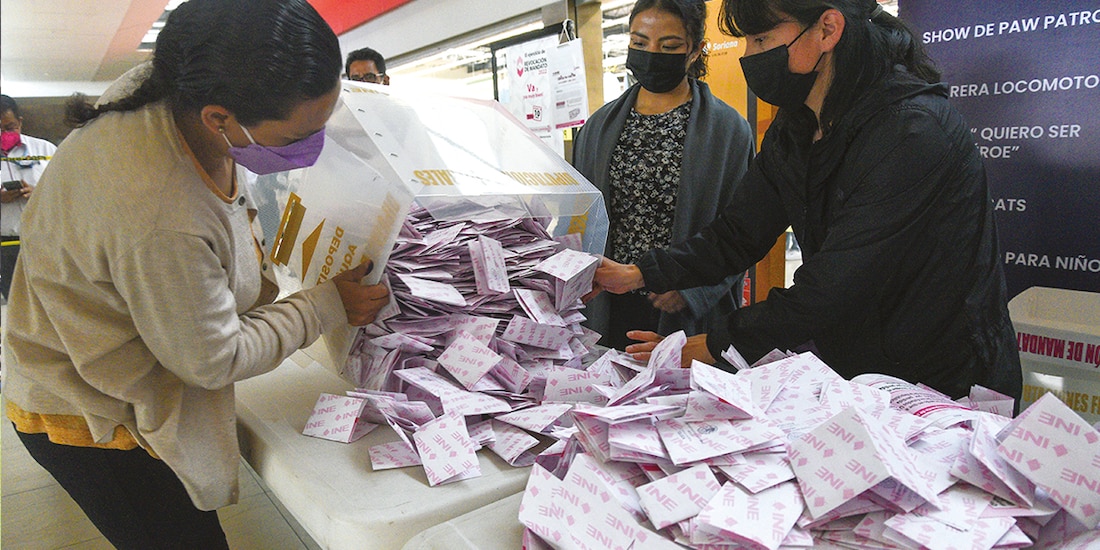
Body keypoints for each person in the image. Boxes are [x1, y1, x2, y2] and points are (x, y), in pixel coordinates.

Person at [1, 0, 390, 547]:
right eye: (292, 138)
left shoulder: (178, 92)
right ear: (219, 118)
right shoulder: (157, 211)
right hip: (89, 414)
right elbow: (213, 358)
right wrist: (324, 306)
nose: (310, 150)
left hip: (115, 342)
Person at [590, 0, 1022, 401]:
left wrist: (713, 344)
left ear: (827, 30)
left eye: (760, 40)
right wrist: (640, 273)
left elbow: (832, 289)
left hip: (942, 380)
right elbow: (738, 233)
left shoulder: (911, 133)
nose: (748, 55)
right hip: (861, 366)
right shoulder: (798, 125)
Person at [573, 0, 754, 350]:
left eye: (669, 46)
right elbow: (580, 220)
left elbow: (743, 233)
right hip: (608, 305)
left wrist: (693, 290)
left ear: (695, 51)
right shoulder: (597, 128)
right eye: (639, 43)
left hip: (686, 309)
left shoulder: (729, 131)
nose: (651, 54)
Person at [1, 94, 57, 301]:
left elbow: (66, 193)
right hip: (5, 246)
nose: (4, 134)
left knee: (51, 300)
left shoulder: (46, 150)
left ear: (20, 122)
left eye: (10, 127)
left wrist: (39, 193)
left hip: (43, 241)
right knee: (16, 302)